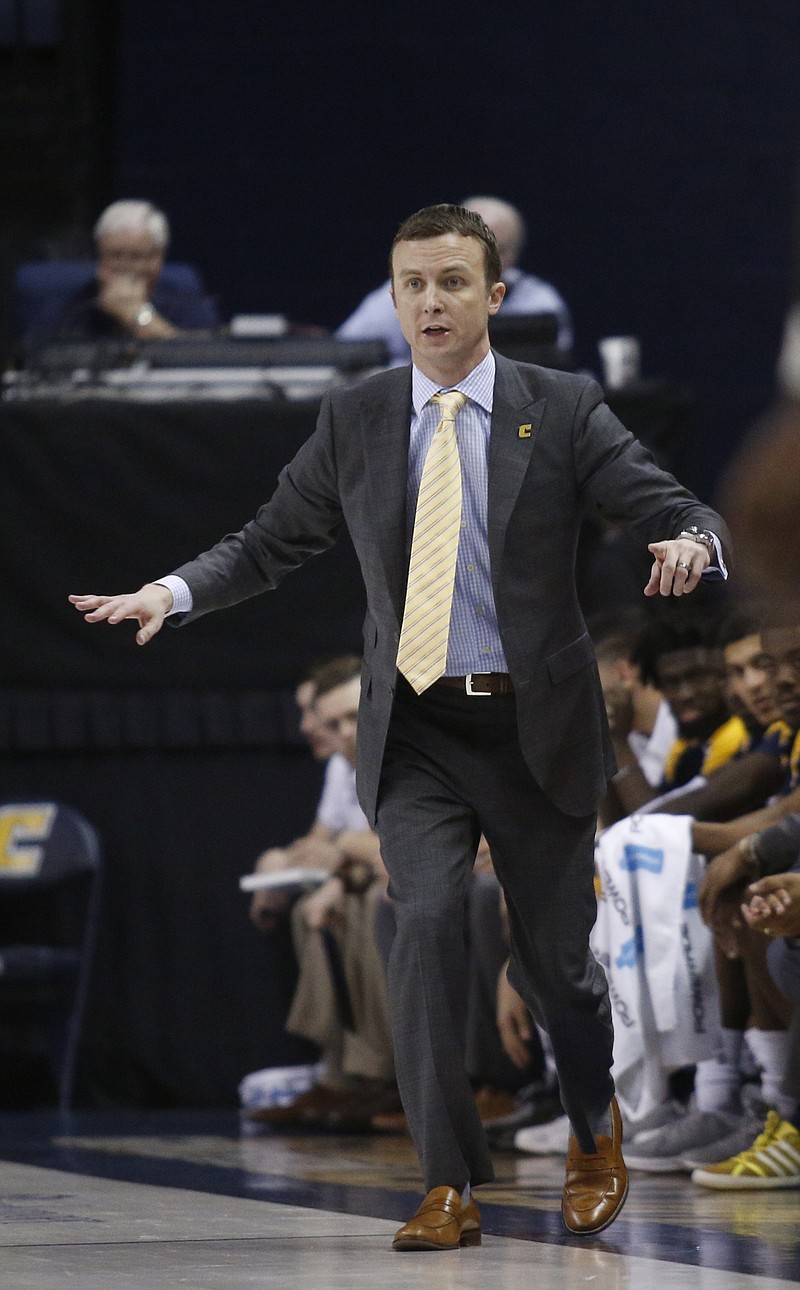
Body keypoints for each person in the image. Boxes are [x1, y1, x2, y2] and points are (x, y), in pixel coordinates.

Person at [70, 203, 730, 1248]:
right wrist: (170, 592)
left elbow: (667, 501)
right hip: (415, 726)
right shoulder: (359, 415)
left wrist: (691, 543)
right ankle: (446, 1181)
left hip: (531, 727)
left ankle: (594, 1124)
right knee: (416, 923)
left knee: (555, 967)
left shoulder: (557, 407)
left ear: (492, 297)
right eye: (411, 284)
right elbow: (269, 540)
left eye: (451, 283)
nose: (429, 301)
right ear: (392, 297)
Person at [250, 664, 396, 1131]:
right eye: (333, 722)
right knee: (315, 911)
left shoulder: (400, 753)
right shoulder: (345, 764)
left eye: (350, 718)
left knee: (374, 902)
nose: (340, 733)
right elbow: (319, 847)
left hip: (416, 878)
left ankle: (385, 1072)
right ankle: (346, 1070)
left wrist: (342, 857)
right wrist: (279, 861)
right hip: (375, 875)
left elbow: (395, 853)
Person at [336, 195, 572, 366]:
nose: (432, 303)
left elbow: (552, 365)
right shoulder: (409, 289)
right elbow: (346, 351)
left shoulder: (540, 302)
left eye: (496, 250)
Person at [43, 199, 218, 342]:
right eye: (115, 256)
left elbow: (201, 358)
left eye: (136, 256)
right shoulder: (76, 307)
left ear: (158, 258)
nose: (126, 268)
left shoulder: (188, 305)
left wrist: (137, 314)